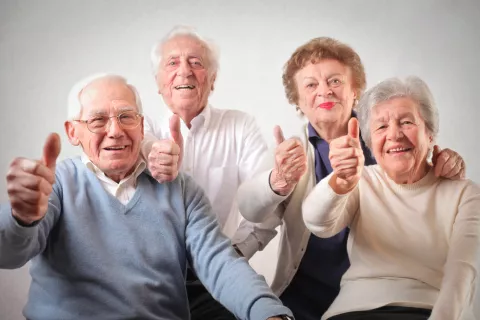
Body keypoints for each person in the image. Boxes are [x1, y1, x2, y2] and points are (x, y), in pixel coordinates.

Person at [0, 74, 293, 320]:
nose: (115, 131)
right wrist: (21, 218)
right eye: (98, 120)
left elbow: (219, 262)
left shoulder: (181, 189)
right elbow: (9, 254)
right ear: (73, 131)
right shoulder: (57, 183)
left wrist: (268, 313)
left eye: (126, 117)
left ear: (141, 126)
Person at [237, 37, 466, 320]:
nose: (325, 91)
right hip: (303, 298)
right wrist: (278, 181)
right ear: (297, 100)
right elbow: (252, 216)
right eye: (311, 85)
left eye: (335, 81)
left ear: (355, 90)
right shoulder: (290, 154)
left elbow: (426, 194)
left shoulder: (388, 143)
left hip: (378, 299)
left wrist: (445, 166)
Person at [302, 76, 480, 320]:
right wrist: (340, 181)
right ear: (370, 143)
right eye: (381, 127)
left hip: (428, 310)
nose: (394, 135)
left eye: (406, 122)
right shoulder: (361, 180)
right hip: (353, 312)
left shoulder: (465, 193)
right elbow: (317, 223)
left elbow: (464, 270)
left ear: (430, 134)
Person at [142, 26, 279, 320]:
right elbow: (142, 150)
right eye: (173, 63)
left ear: (212, 79)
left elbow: (266, 204)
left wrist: (237, 253)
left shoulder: (239, 127)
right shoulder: (141, 128)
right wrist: (155, 154)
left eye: (196, 62)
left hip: (215, 280)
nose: (185, 72)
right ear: (158, 82)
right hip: (149, 281)